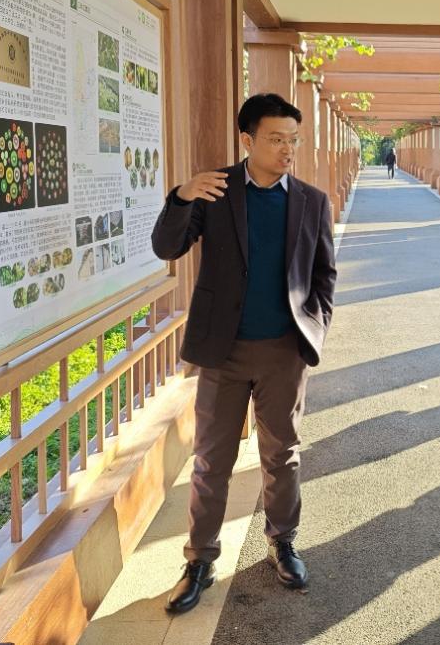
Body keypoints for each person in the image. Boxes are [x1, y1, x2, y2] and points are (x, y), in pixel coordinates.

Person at [152, 92, 337, 614]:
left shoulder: (311, 201)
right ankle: (200, 560)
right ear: (247, 140)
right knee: (212, 460)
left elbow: (323, 273)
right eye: (276, 139)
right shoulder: (215, 191)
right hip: (224, 350)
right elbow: (167, 247)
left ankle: (283, 542)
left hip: (283, 351)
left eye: (293, 140)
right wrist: (181, 196)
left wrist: (315, 327)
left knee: (282, 454)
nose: (287, 149)